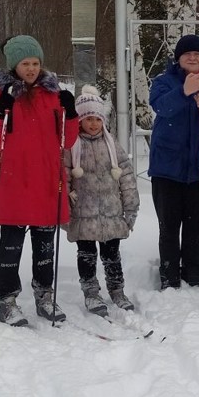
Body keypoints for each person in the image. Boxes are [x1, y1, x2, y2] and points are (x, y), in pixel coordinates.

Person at [0, 35, 79, 327]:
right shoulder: (2, 94)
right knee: (11, 245)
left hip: (48, 180)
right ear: (14, 64)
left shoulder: (53, 94)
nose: (32, 68)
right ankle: (8, 299)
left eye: (36, 63)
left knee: (45, 246)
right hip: (15, 179)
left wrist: (70, 112)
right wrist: (0, 112)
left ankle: (44, 294)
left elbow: (68, 139)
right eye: (25, 63)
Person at [148, 34, 199, 290]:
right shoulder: (163, 82)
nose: (193, 58)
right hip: (167, 168)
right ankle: (169, 275)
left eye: (197, 54)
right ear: (179, 58)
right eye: (187, 54)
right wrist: (184, 92)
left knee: (195, 226)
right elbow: (160, 107)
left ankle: (193, 272)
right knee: (169, 225)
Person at [64, 85, 140, 317]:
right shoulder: (72, 146)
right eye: (89, 119)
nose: (94, 124)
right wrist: (65, 210)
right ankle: (91, 291)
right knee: (86, 256)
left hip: (111, 215)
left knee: (112, 255)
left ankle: (117, 289)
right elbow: (65, 178)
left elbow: (126, 175)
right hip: (83, 215)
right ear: (80, 121)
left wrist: (131, 207)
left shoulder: (111, 144)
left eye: (97, 119)